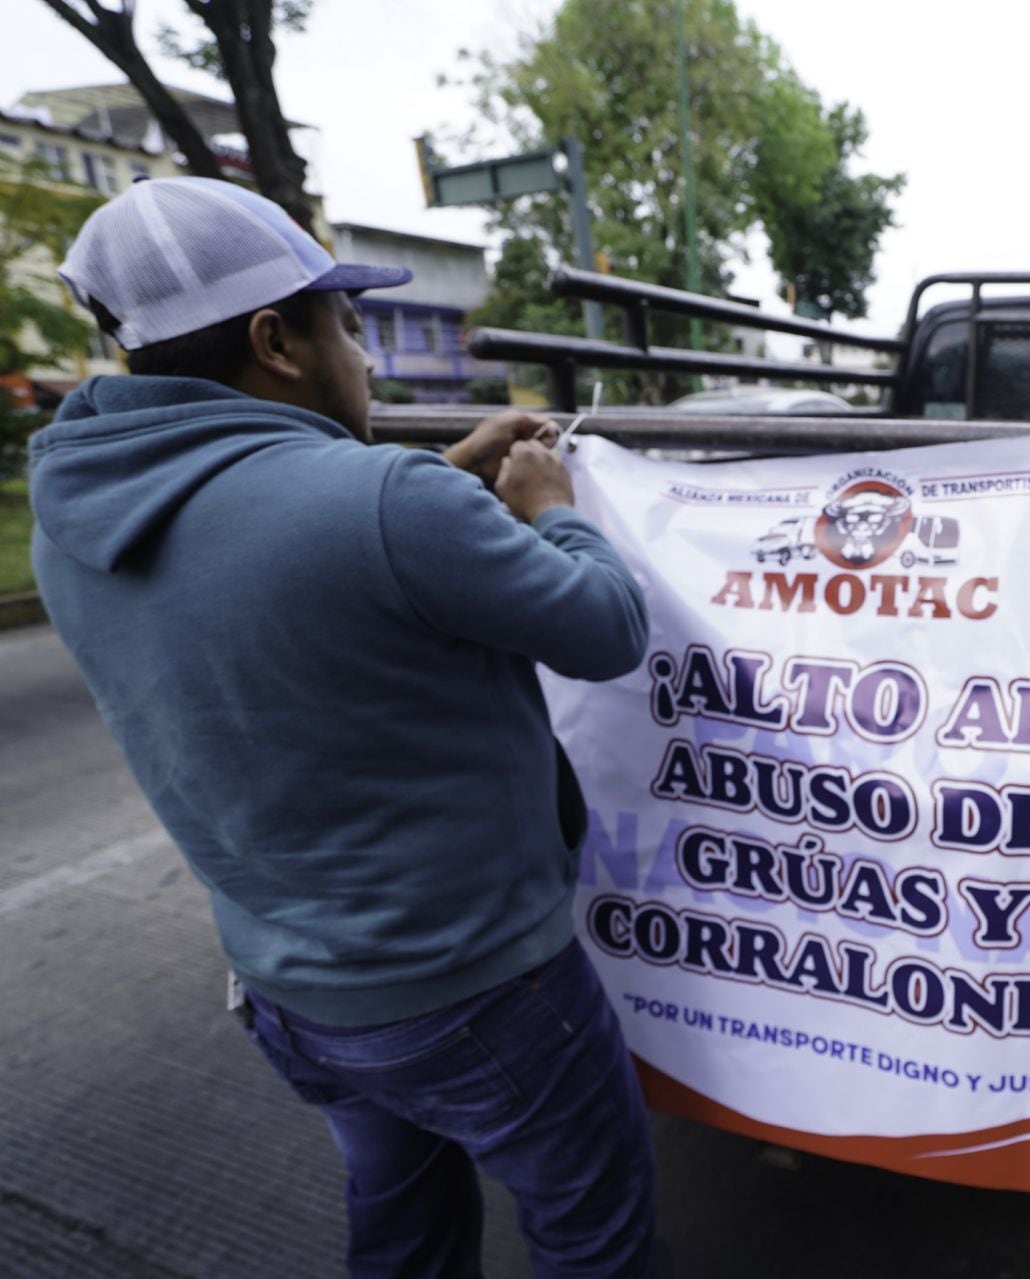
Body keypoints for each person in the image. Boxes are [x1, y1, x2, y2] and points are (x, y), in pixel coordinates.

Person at [30, 176, 656, 1277]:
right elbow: (604, 626)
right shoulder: (385, 508)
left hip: (295, 996)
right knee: (593, 1237)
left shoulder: (76, 523)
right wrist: (549, 505)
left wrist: (449, 478)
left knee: (403, 1231)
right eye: (349, 325)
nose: (367, 358)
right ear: (276, 340)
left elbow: (285, 534)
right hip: (482, 995)